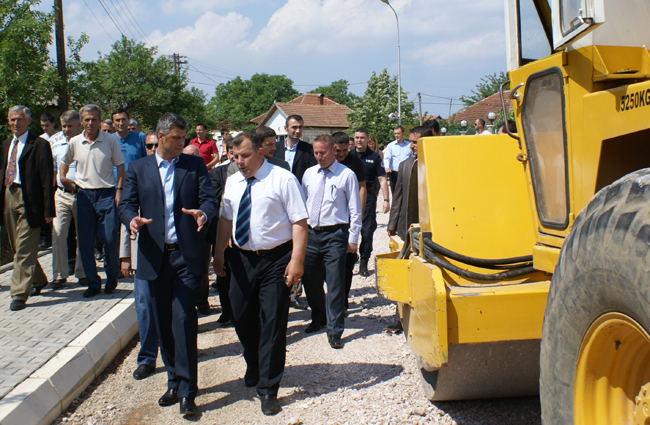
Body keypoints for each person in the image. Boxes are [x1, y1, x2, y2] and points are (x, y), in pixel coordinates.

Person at [119, 113, 218, 416]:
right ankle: (173, 379)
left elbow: (210, 199)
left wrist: (203, 213)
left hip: (185, 256)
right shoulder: (139, 168)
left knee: (183, 318)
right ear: (161, 137)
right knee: (163, 322)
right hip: (155, 257)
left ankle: (188, 391)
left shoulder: (194, 165)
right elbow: (126, 204)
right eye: (176, 138)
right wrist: (131, 219)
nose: (181, 143)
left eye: (184, 137)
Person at [213, 131, 308, 416]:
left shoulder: (282, 179)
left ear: (260, 153)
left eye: (244, 156)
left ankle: (268, 388)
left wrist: (297, 261)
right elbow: (226, 219)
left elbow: (299, 222)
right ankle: (253, 361)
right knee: (241, 316)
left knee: (273, 322)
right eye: (235, 156)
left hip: (276, 258)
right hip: (242, 258)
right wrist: (218, 254)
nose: (239, 161)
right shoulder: (233, 181)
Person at [301, 134, 361, 349]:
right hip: (311, 234)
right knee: (310, 280)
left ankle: (335, 330)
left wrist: (353, 238)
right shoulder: (309, 174)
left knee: (335, 283)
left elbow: (355, 209)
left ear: (333, 150)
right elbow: (302, 204)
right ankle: (319, 317)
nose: (319, 157)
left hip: (335, 234)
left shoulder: (346, 175)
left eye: (323, 152)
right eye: (316, 153)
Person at [60, 104, 124, 298]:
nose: (90, 123)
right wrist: (62, 178)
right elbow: (64, 162)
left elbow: (120, 167)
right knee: (85, 242)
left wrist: (119, 191)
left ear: (99, 120)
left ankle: (112, 277)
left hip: (106, 194)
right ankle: (93, 283)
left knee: (110, 238)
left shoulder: (110, 140)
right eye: (87, 119)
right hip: (84, 196)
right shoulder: (75, 142)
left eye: (94, 119)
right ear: (81, 121)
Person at [1, 106, 55, 311]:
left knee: (24, 247)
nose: (16, 123)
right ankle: (39, 279)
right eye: (12, 119)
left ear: (28, 121)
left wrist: (48, 209)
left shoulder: (39, 144)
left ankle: (18, 294)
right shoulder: (6, 144)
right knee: (18, 247)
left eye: (20, 119)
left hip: (30, 199)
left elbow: (47, 178)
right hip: (9, 195)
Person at [120, 130, 160, 381]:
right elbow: (127, 212)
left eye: (156, 145)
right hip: (142, 254)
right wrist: (125, 255)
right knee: (144, 307)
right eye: (149, 146)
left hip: (170, 254)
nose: (153, 149)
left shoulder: (175, 172)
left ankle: (178, 353)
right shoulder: (136, 170)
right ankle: (147, 358)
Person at [50, 110, 86, 289]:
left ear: (78, 124)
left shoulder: (85, 143)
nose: (65, 129)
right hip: (61, 194)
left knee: (83, 235)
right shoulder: (54, 143)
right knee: (58, 234)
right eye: (63, 126)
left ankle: (82, 272)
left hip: (82, 195)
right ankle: (59, 274)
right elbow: (52, 170)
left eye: (69, 126)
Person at [332, 131, 366, 310]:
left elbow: (362, 187)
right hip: (330, 219)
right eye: (338, 151)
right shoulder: (324, 161)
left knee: (347, 262)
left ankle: (343, 301)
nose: (341, 154)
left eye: (345, 151)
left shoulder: (355, 162)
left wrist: (359, 214)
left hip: (348, 218)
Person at [350, 127, 389, 277]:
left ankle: (364, 261)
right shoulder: (348, 156)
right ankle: (350, 258)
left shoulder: (375, 157)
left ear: (367, 139)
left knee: (367, 230)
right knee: (347, 228)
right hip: (349, 197)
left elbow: (382, 179)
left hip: (368, 197)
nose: (359, 140)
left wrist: (386, 199)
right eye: (357, 137)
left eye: (362, 137)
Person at [207, 137, 235, 324]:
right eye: (232, 153)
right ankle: (226, 311)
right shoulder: (217, 174)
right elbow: (216, 197)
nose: (235, 158)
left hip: (243, 234)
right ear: (227, 153)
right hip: (222, 233)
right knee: (224, 275)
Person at [272, 114, 316, 184]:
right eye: (294, 127)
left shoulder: (309, 150)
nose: (298, 131)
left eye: (300, 127)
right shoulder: (274, 148)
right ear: (286, 128)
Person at [383, 126, 412, 194]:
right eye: (395, 133)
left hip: (405, 173)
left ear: (403, 133)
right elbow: (387, 158)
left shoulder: (409, 146)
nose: (396, 135)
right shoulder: (391, 146)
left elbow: (412, 158)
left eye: (398, 133)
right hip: (394, 173)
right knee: (395, 192)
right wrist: (387, 167)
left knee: (406, 192)